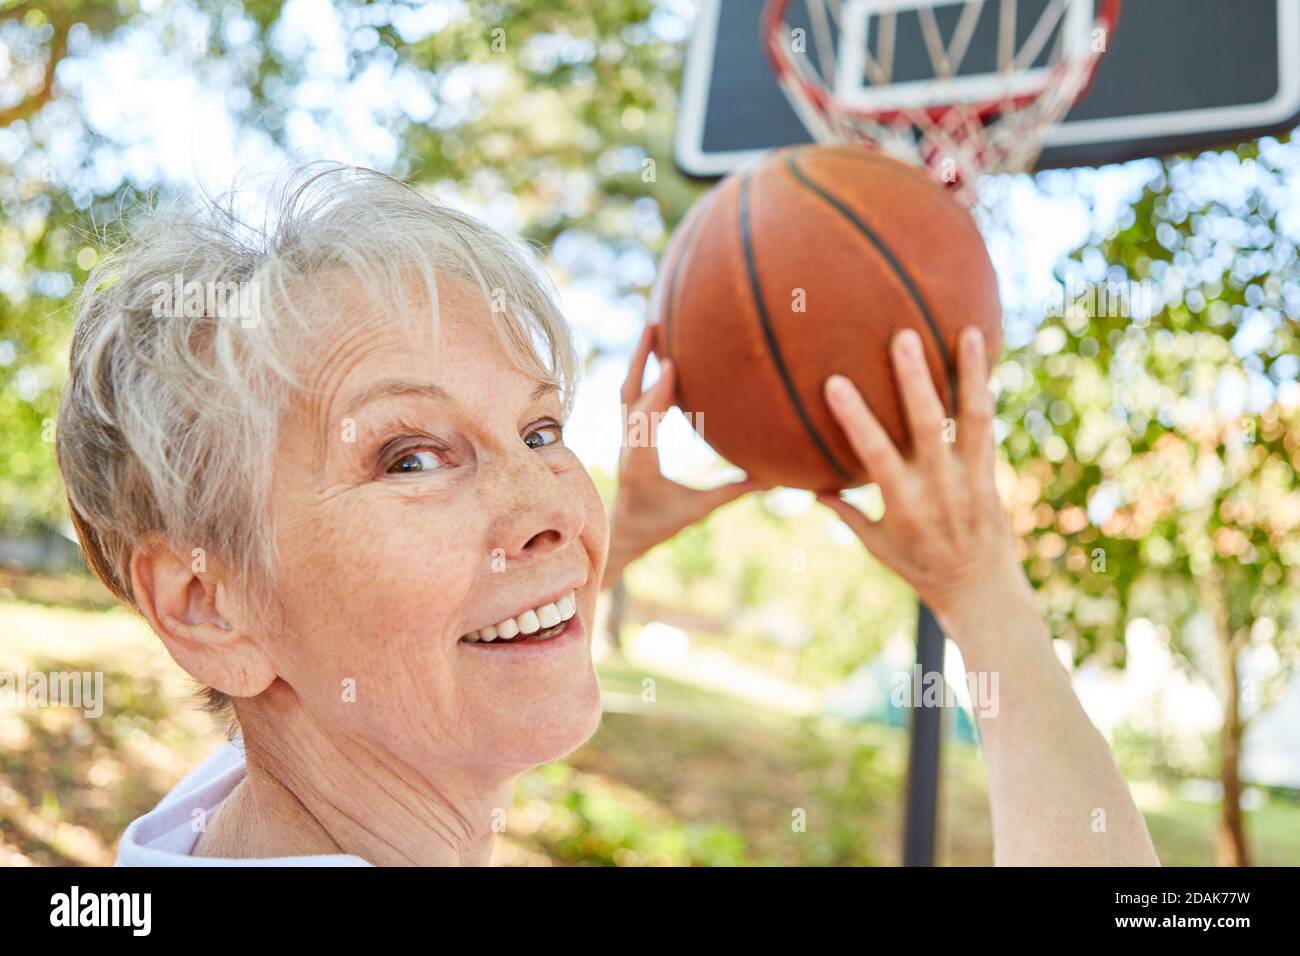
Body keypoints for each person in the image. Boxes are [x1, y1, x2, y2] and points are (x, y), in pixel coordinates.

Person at [55, 163, 1158, 866]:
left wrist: (600, 541)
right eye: (410, 455)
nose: (548, 505)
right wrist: (985, 595)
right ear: (207, 607)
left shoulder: (204, 825)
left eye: (541, 432)